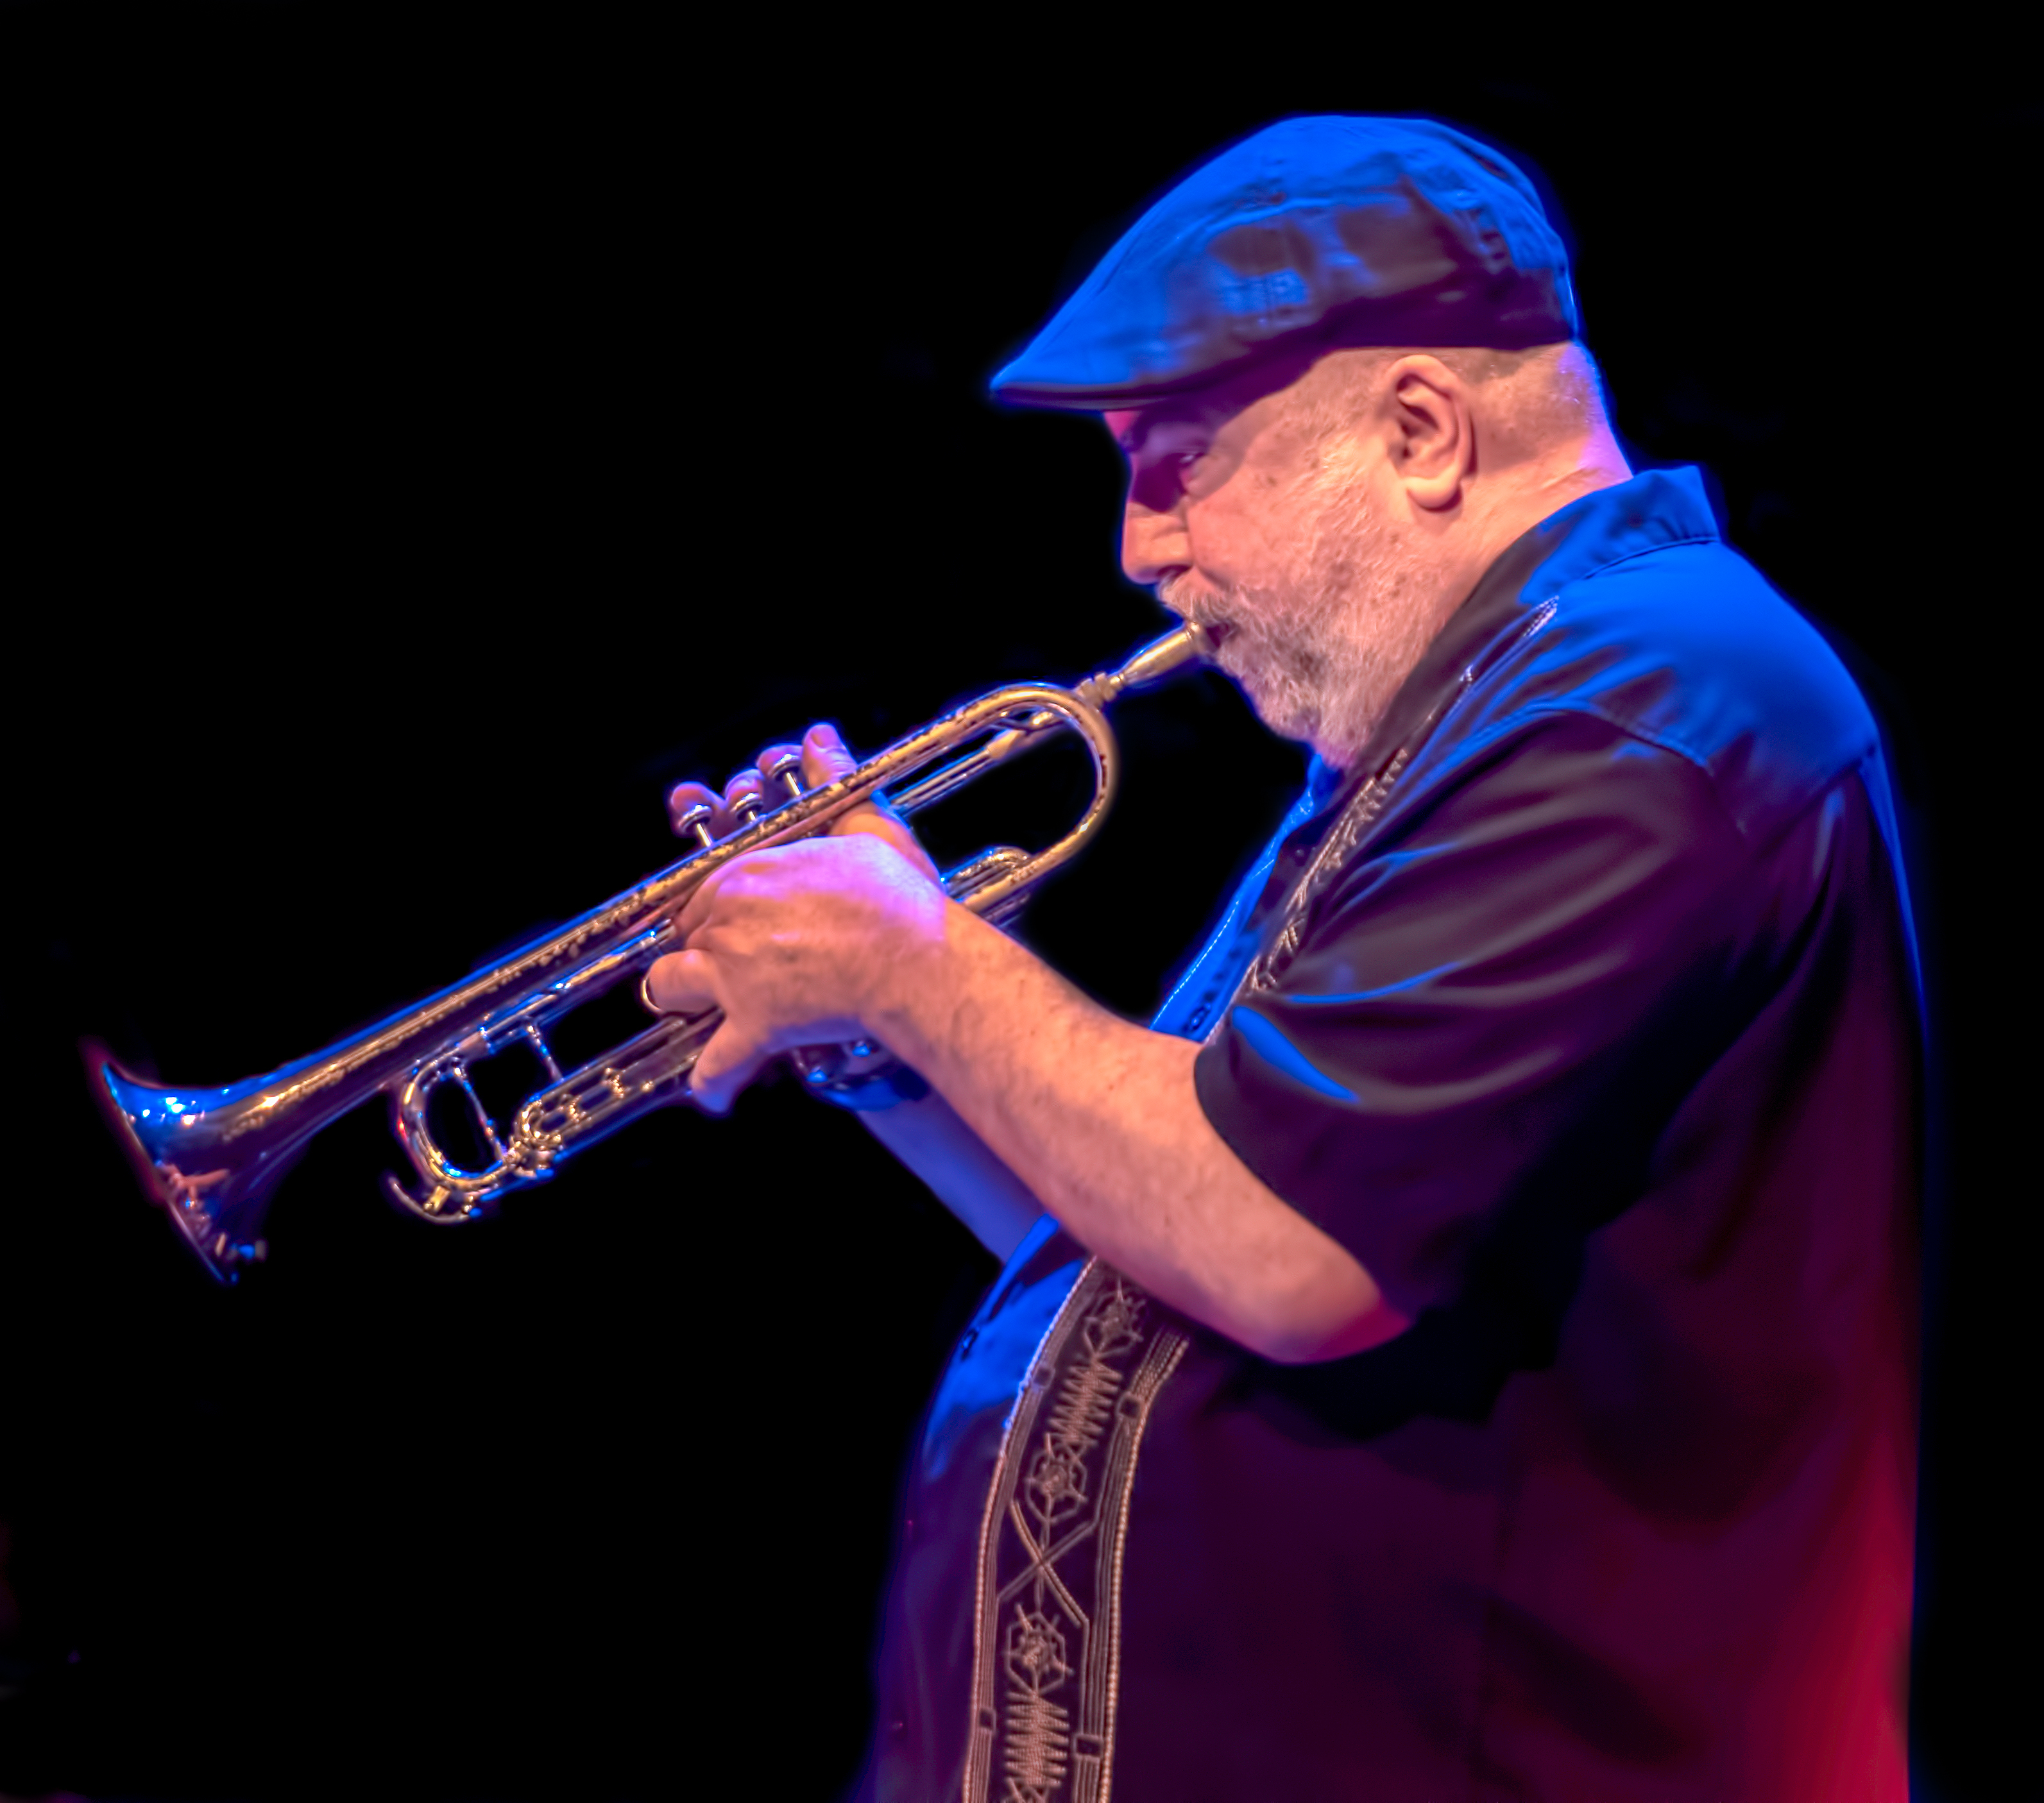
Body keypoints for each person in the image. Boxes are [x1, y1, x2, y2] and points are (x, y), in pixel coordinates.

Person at [647, 117, 1921, 1802]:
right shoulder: (1467, 716)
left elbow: (1289, 1242)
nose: (1138, 547)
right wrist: (893, 1039)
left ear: (1418, 431)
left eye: (1175, 458)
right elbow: (1155, 1255)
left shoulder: (1648, 703)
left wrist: (918, 968)